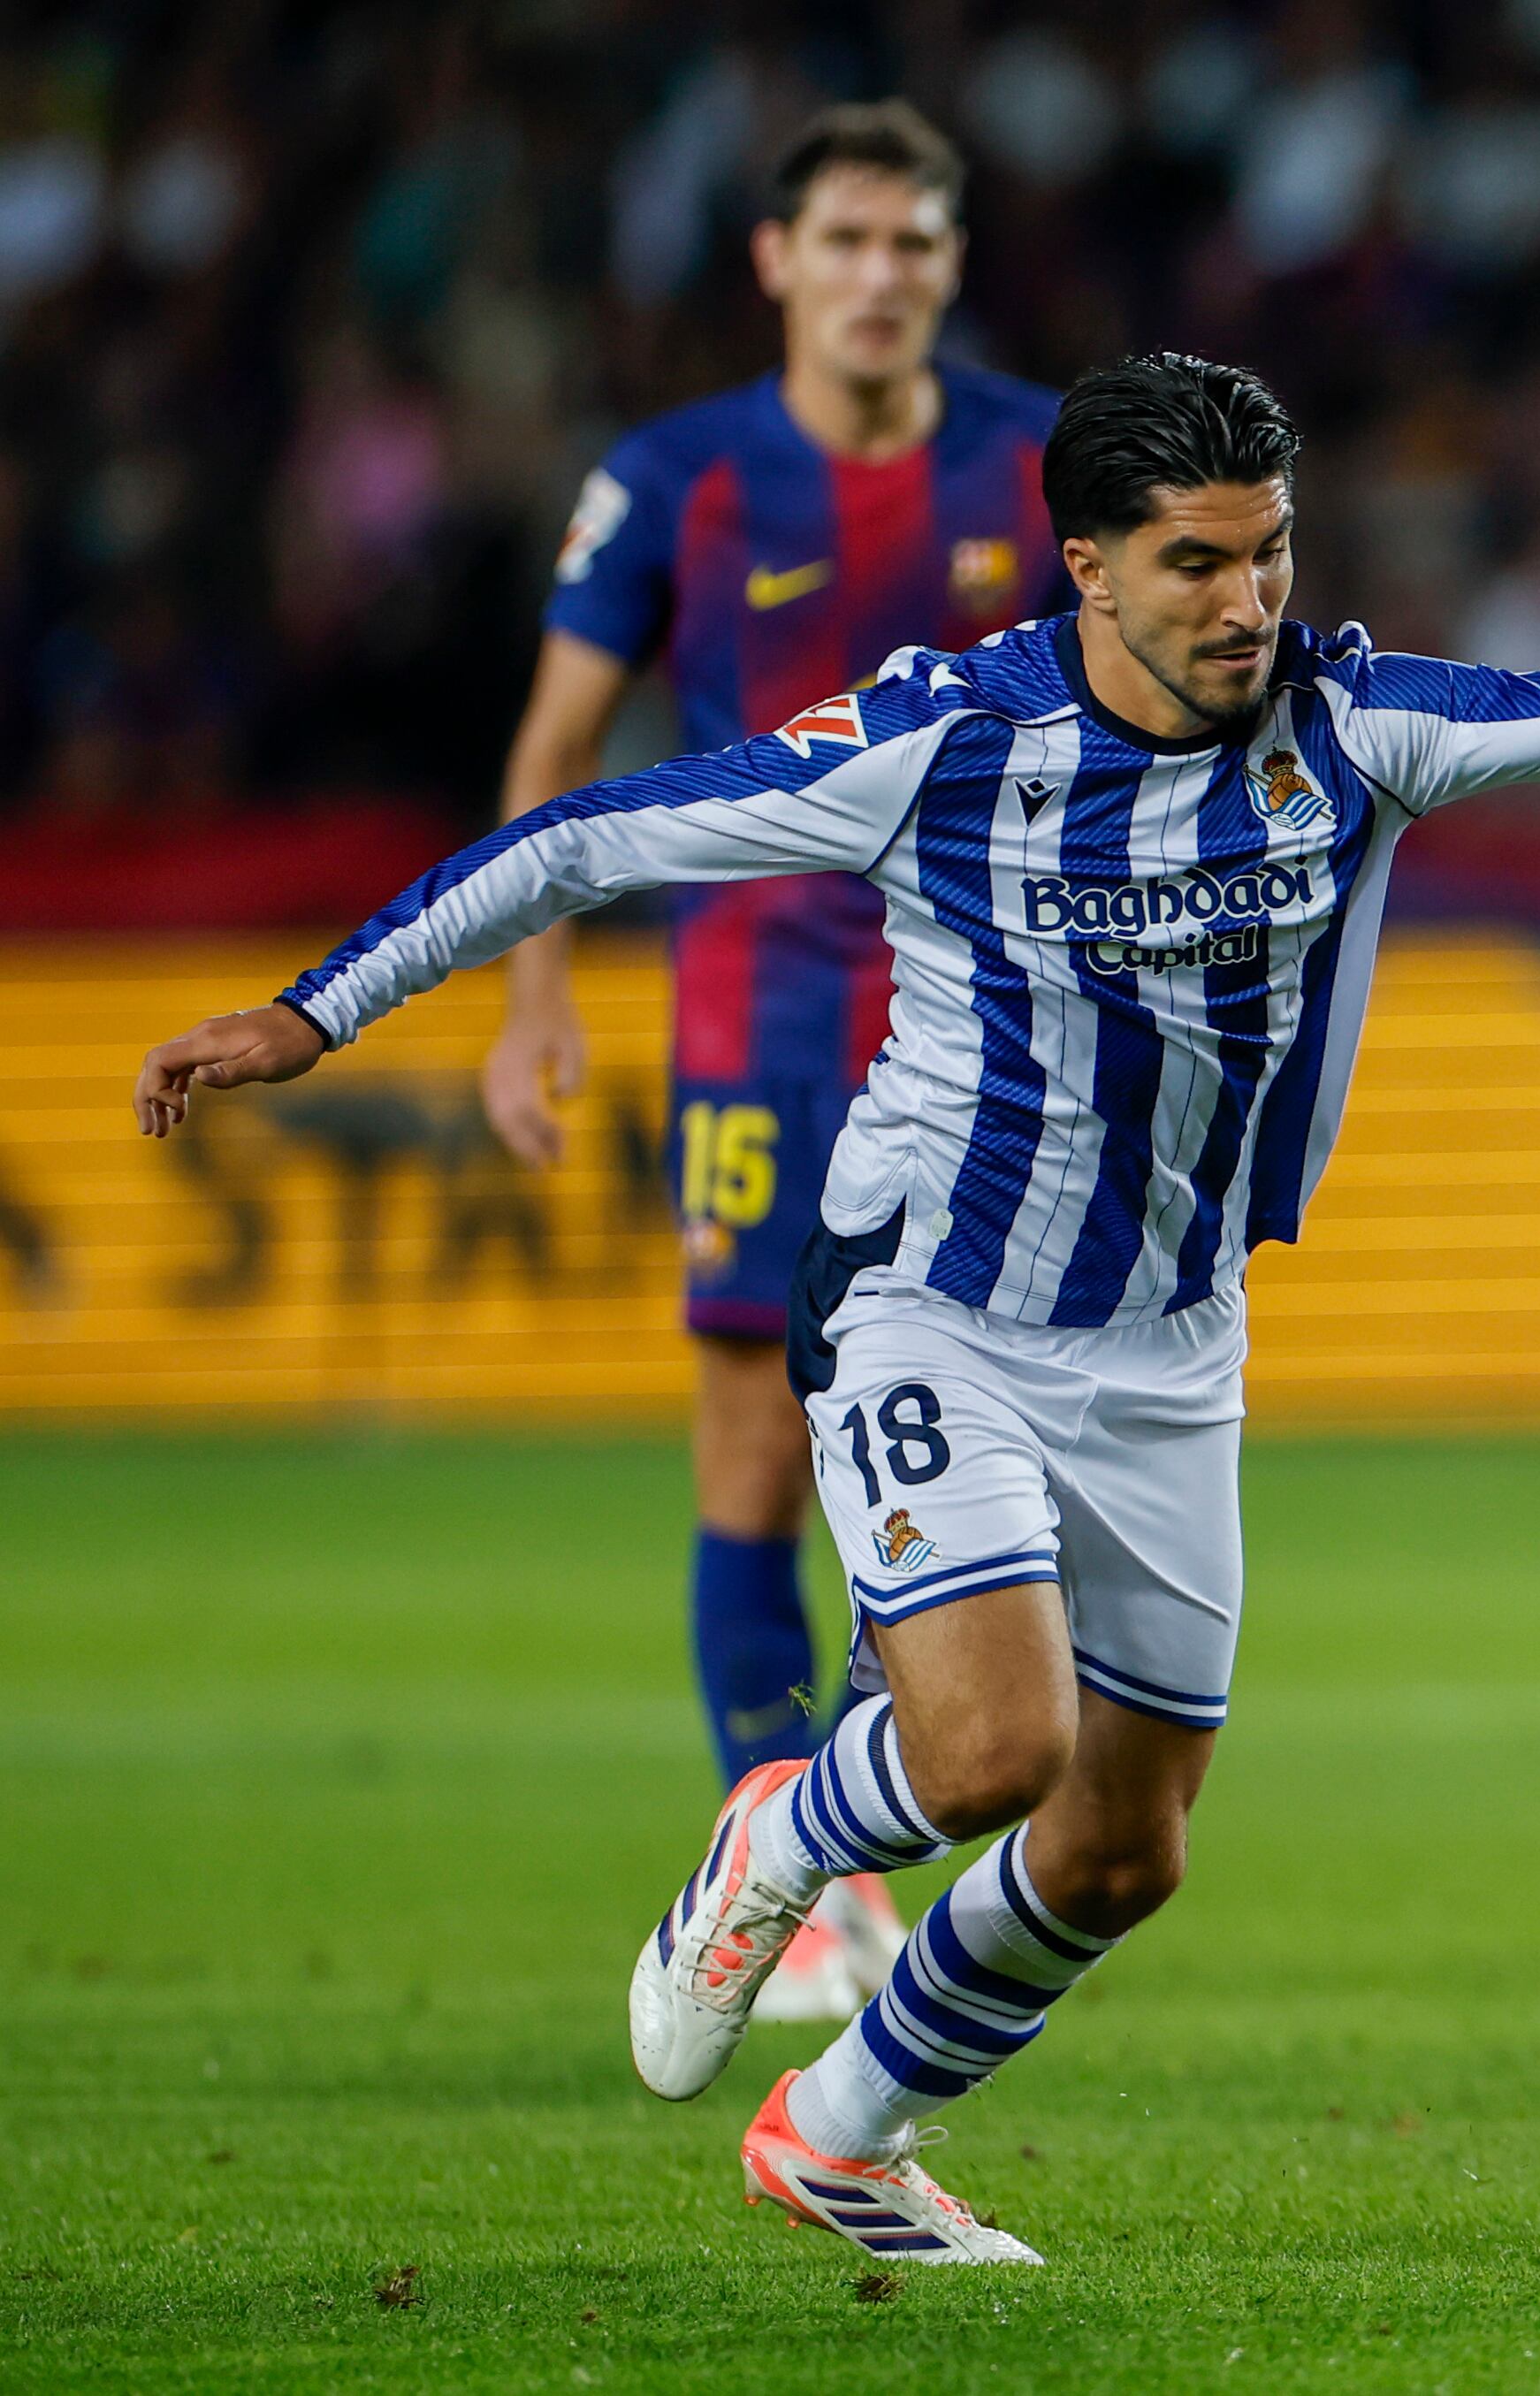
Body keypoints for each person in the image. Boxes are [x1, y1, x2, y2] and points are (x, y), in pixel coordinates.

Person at [138, 352, 1540, 2265]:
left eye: (1269, 551)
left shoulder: (1349, 721)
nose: (1247, 600)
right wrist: (317, 1007)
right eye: (1196, 561)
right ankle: (777, 1833)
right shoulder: (944, 739)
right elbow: (595, 834)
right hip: (933, 1306)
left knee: (1127, 1846)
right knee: (982, 1753)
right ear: (1086, 568)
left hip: (1172, 1346)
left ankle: (846, 2132)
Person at [476, 101, 1073, 2023]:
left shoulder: (1044, 460)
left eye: (912, 243)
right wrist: (533, 994)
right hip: (761, 1010)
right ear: (774, 260)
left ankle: (826, 1829)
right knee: (750, 1448)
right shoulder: (672, 482)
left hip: (998, 1014)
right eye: (845, 242)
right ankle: (792, 1867)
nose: (878, 277)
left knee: (989, 1449)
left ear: (951, 262)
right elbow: (555, 751)